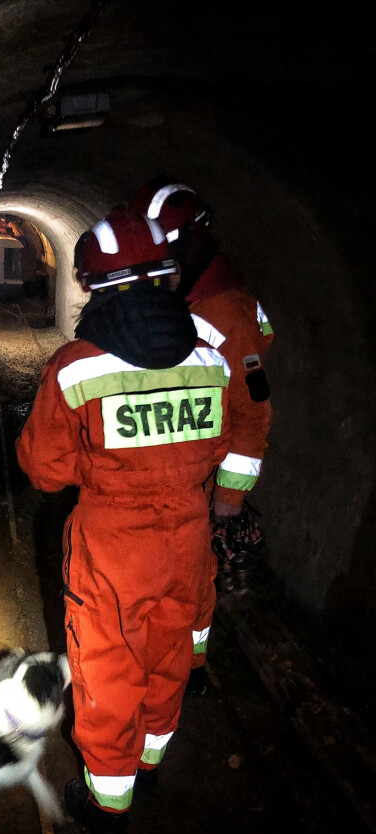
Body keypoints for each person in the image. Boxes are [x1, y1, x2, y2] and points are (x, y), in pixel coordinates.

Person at [15, 207, 232, 834]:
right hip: (187, 538)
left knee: (109, 670)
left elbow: (45, 471)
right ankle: (149, 767)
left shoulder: (76, 366)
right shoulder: (212, 359)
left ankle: (109, 806)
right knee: (169, 654)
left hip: (112, 548)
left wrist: (101, 467)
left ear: (93, 285)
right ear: (168, 276)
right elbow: (217, 447)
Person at [129, 179, 274, 696]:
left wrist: (228, 501)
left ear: (193, 241)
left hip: (206, 478)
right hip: (175, 466)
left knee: (194, 582)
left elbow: (253, 414)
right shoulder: (181, 294)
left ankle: (189, 672)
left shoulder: (228, 311)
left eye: (165, 254)